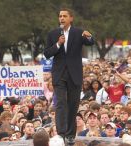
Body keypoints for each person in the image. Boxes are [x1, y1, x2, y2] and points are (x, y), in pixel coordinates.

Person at [44, 8, 94, 145]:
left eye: (64, 16)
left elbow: (90, 42)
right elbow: (47, 53)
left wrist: (89, 36)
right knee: (60, 103)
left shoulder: (78, 32)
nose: (61, 18)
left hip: (74, 74)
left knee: (72, 105)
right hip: (59, 74)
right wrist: (58, 44)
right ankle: (60, 134)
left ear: (71, 18)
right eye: (60, 16)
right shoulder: (53, 34)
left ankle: (70, 135)